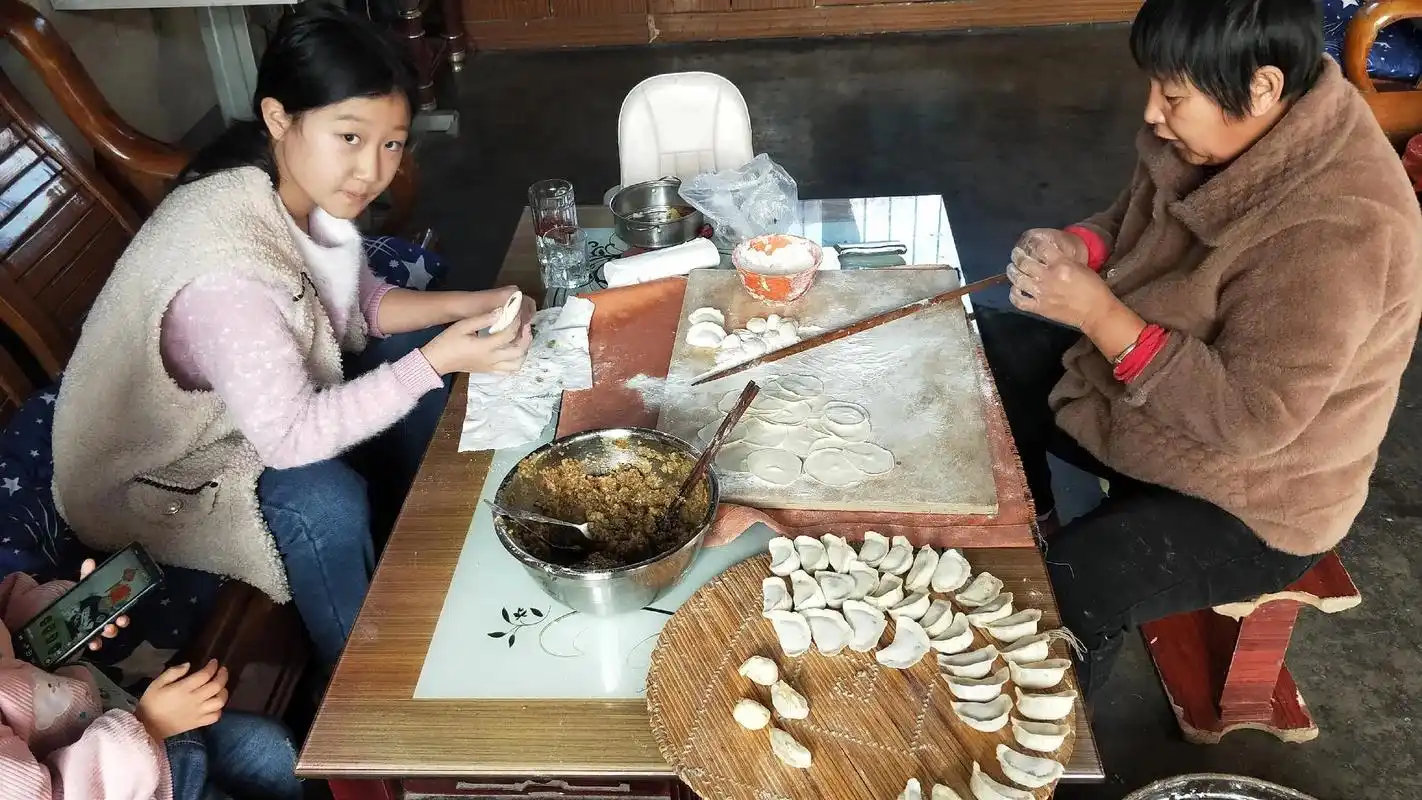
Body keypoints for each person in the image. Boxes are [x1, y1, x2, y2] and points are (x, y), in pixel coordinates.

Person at [50, 7, 534, 668]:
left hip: (245, 414)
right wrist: (439, 355)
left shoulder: (293, 193)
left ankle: (416, 548)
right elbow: (290, 439)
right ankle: (361, 679)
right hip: (162, 472)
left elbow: (362, 304)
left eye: (392, 142)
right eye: (350, 137)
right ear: (280, 118)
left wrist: (479, 302)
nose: (374, 169)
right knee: (323, 502)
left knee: (415, 366)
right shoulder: (231, 273)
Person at [983, 0, 1422, 696]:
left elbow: (1253, 419)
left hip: (1255, 494)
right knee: (987, 352)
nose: (1153, 112)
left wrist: (1099, 315)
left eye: (1173, 95)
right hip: (1149, 411)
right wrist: (1082, 245)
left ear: (1263, 88)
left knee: (1067, 594)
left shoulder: (1338, 225)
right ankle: (1019, 526)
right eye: (1154, 85)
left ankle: (1046, 767)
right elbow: (1136, 222)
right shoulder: (1214, 131)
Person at [1, 562, 302, 800]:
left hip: (136, 729)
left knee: (271, 746)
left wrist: (70, 610)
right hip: (131, 779)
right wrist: (149, 724)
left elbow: (11, 615)